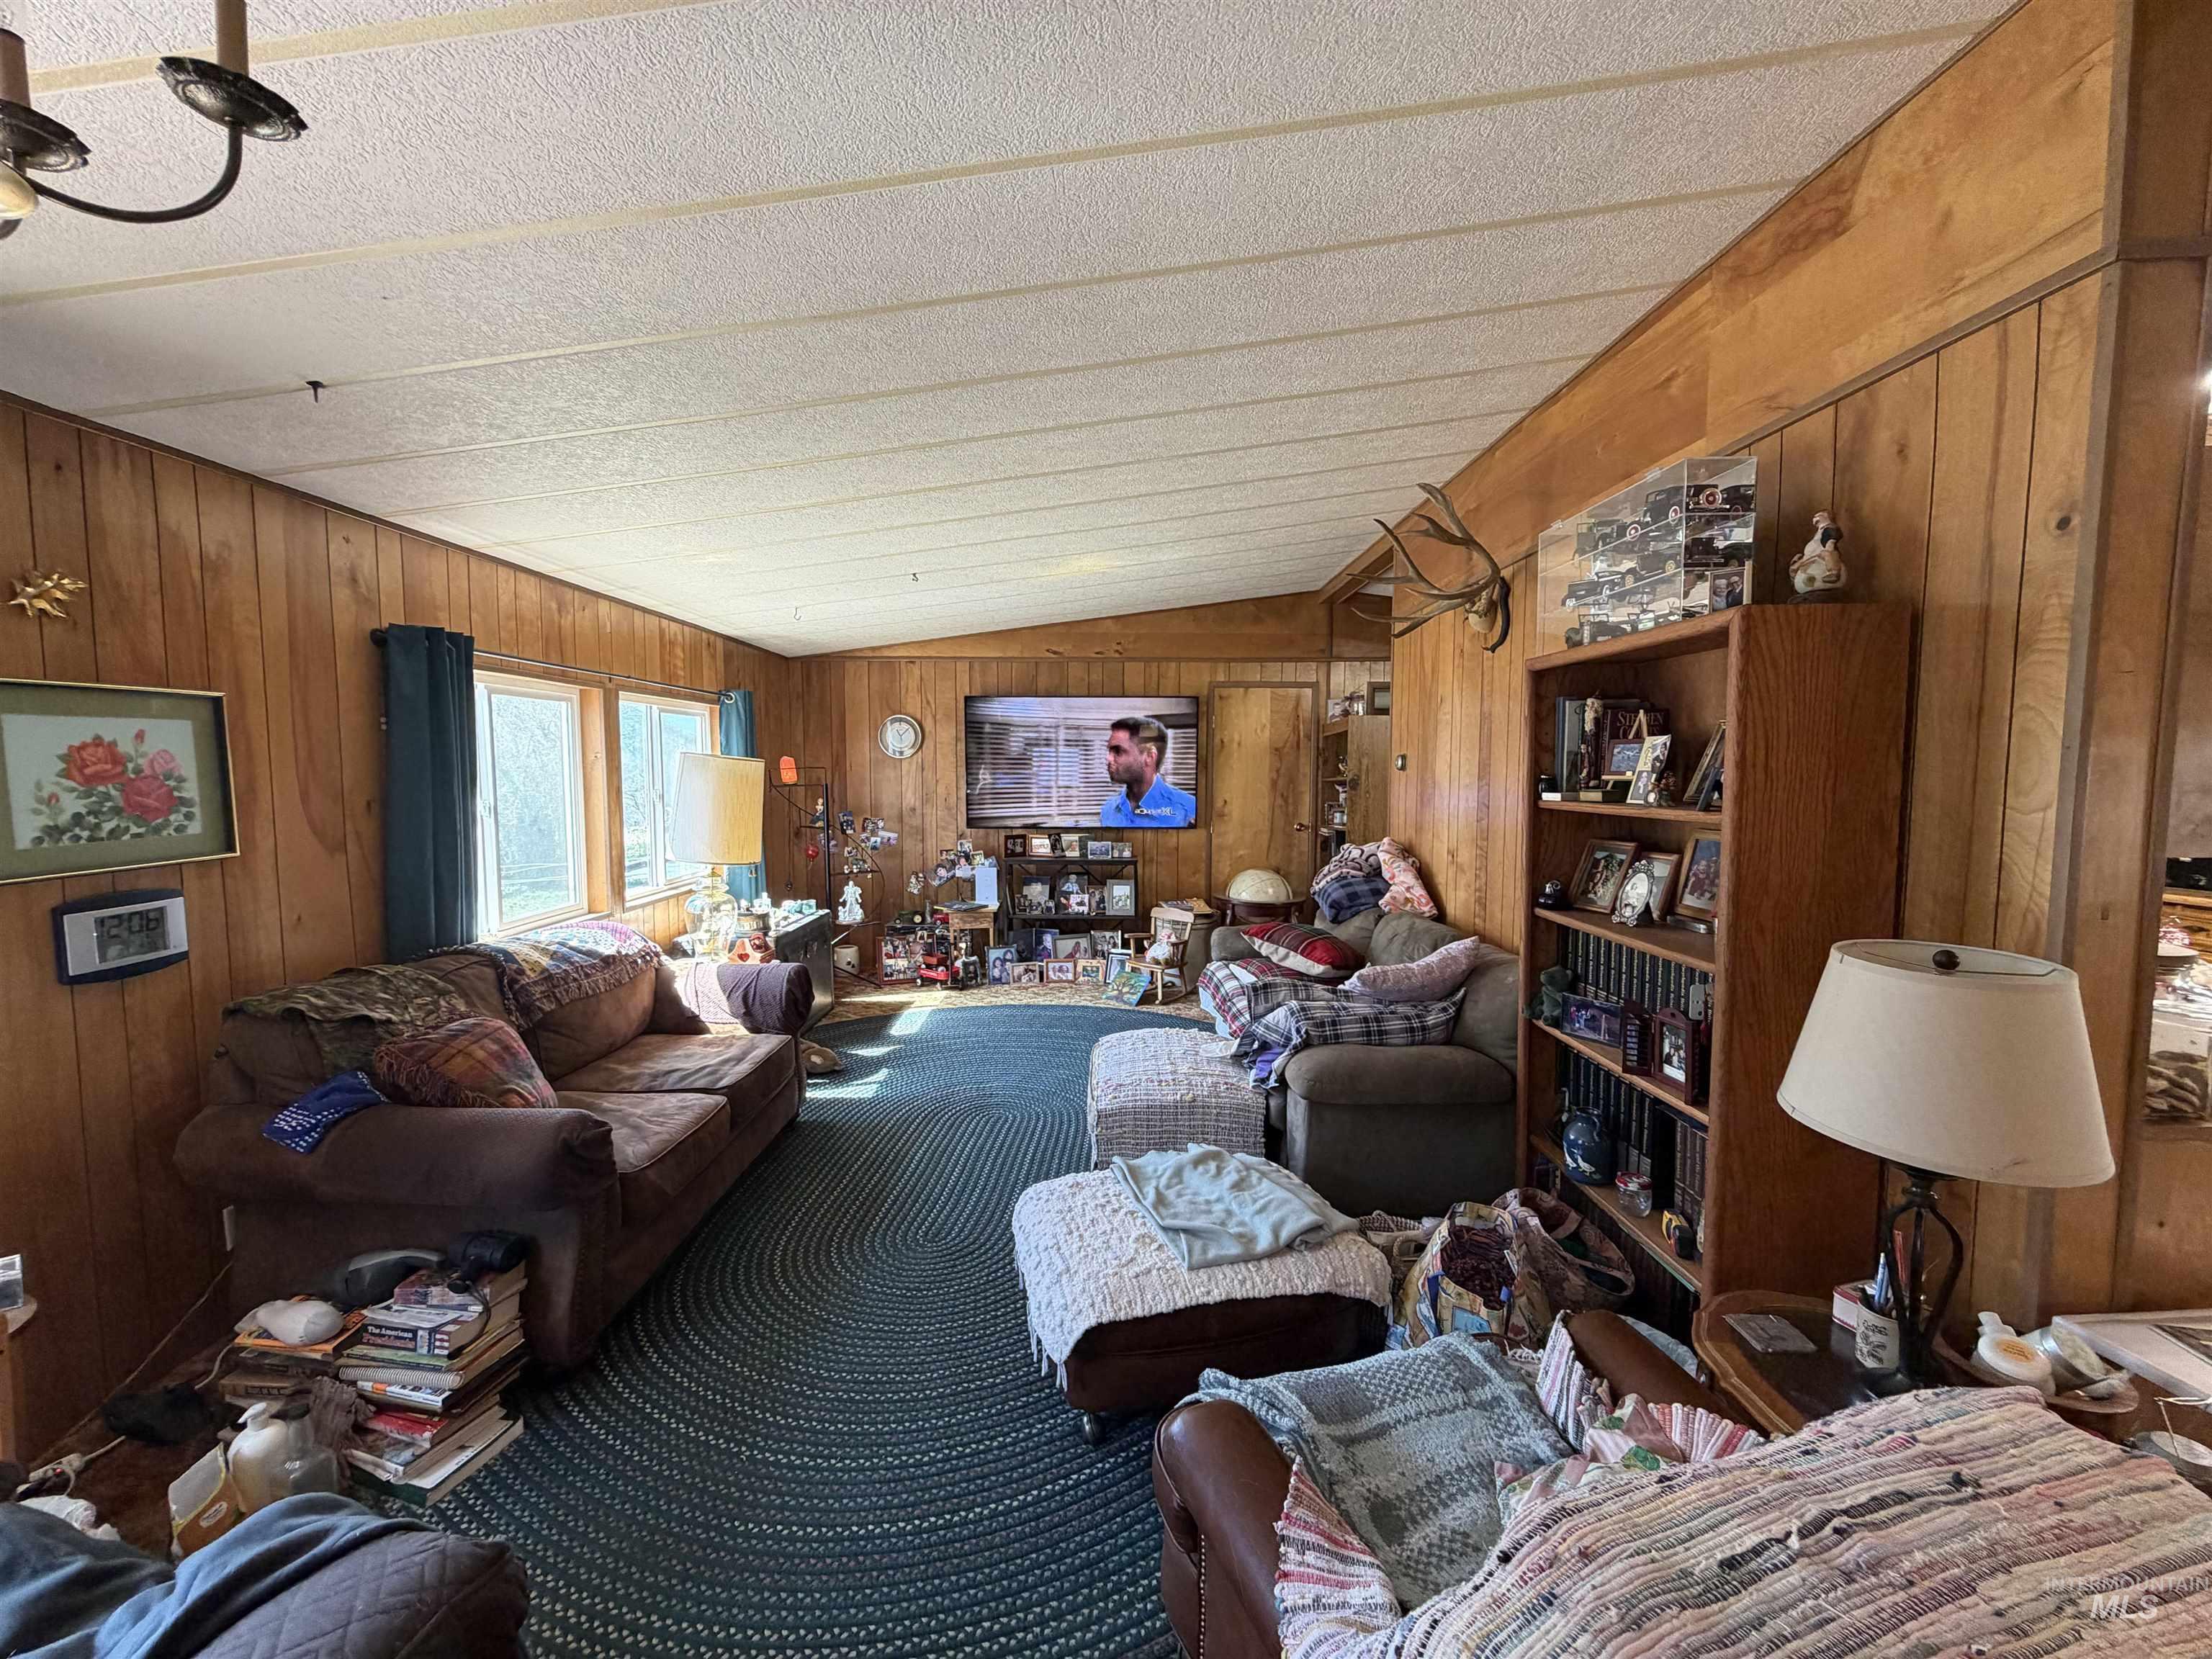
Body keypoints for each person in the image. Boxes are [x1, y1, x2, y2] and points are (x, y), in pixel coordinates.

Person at [1099, 715, 1197, 827]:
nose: (1108, 759)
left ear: (1150, 756)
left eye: (1118, 751)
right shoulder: (1109, 810)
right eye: (1109, 751)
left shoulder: (1188, 810)